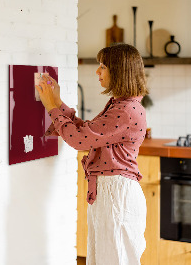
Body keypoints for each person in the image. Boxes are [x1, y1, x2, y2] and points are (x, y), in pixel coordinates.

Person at [36, 43, 148, 265]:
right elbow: (87, 132)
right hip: (111, 193)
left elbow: (79, 140)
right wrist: (57, 103)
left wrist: (51, 107)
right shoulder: (121, 105)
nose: (98, 72)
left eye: (103, 66)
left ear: (119, 71)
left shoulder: (125, 110)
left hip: (116, 196)